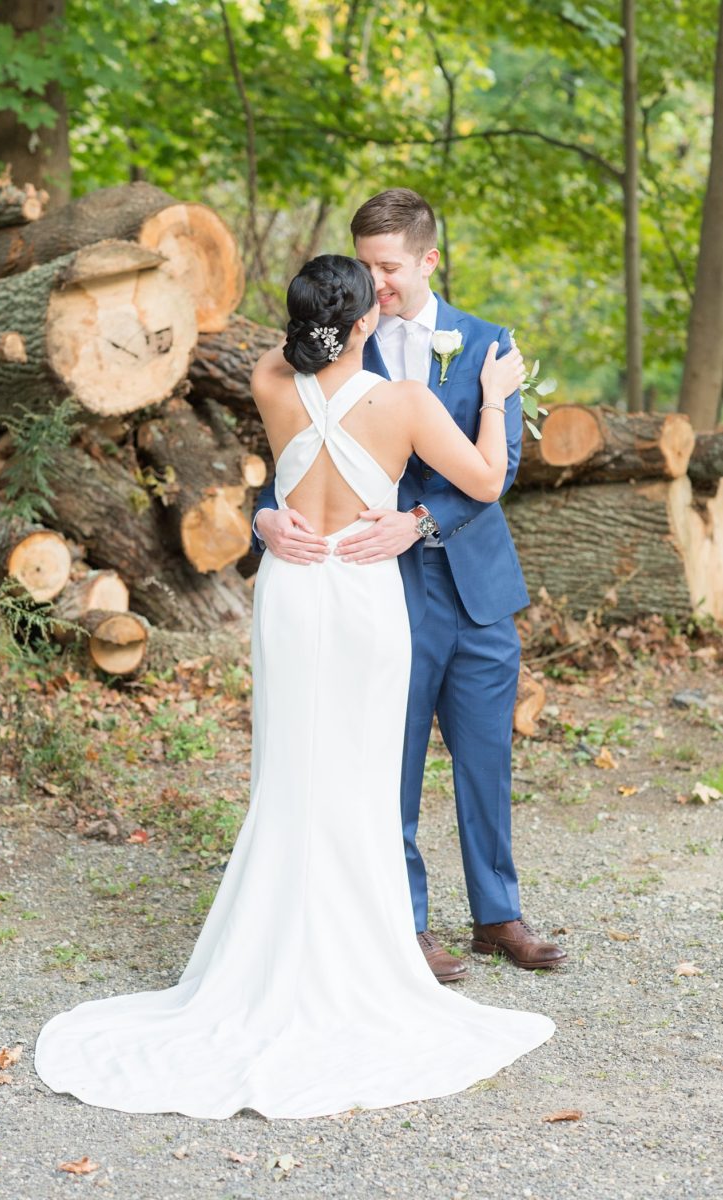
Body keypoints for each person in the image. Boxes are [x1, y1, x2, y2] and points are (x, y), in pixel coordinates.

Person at [34, 254, 554, 1120]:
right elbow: (486, 479)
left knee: (288, 776)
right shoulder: (406, 404)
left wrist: (272, 510)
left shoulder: (270, 377)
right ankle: (357, 957)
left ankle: (266, 957)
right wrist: (496, 394)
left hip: (289, 590)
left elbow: (282, 459)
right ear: (360, 328)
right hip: (359, 596)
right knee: (355, 777)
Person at [254, 190, 567, 982]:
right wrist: (263, 516)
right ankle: (407, 920)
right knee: (385, 759)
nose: (375, 281)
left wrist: (419, 519)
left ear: (429, 259)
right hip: (377, 589)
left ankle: (498, 915)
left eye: (387, 266)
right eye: (363, 266)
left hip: (476, 587)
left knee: (484, 757)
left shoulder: (488, 344)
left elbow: (505, 471)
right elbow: (291, 461)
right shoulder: (333, 341)